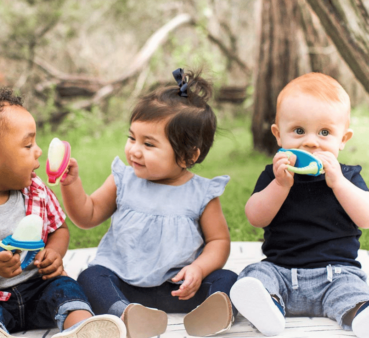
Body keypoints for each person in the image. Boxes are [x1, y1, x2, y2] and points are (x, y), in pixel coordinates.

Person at [0, 84, 126, 338]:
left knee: (65, 287)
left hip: (37, 288)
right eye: (28, 145)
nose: (39, 151)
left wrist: (53, 252)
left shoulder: (36, 189)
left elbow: (59, 229)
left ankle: (83, 329)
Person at [60, 68, 238, 338]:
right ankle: (125, 313)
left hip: (179, 286)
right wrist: (71, 184)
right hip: (124, 281)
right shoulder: (123, 179)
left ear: (188, 155)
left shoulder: (201, 193)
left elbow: (219, 242)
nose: (134, 150)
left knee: (228, 279)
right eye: (132, 138)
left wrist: (198, 270)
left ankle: (211, 314)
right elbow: (88, 215)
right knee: (91, 277)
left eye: (149, 144)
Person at [230, 73, 369, 338]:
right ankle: (268, 308)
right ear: (278, 135)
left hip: (335, 274)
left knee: (352, 290)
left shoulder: (347, 176)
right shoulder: (276, 176)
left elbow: (366, 218)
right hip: (281, 271)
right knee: (255, 274)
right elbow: (255, 217)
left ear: (343, 139)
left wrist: (338, 183)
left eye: (325, 132)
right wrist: (280, 186)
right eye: (299, 131)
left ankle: (360, 313)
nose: (311, 142)